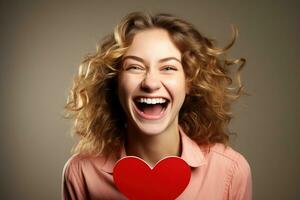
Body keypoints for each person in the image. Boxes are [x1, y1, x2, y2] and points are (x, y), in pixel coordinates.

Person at [62, 11, 252, 200]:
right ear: (115, 82)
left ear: (189, 82)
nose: (150, 83)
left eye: (168, 68)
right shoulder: (82, 172)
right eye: (135, 67)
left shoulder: (230, 171)